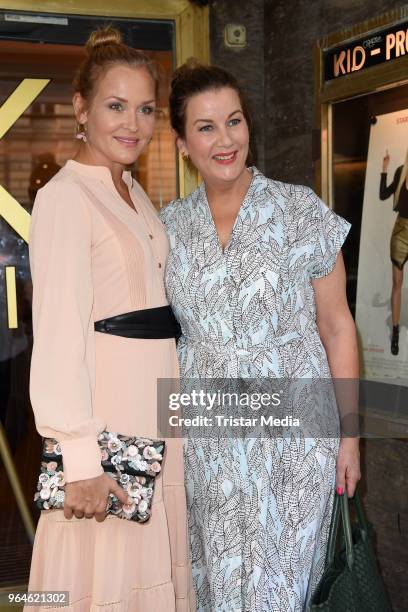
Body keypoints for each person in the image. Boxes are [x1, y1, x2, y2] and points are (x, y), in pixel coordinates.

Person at [159, 62, 360, 611]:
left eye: (234, 121)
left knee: (283, 591)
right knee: (216, 588)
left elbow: (338, 325)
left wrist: (350, 437)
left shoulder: (299, 211)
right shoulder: (167, 226)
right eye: (205, 127)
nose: (226, 140)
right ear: (181, 142)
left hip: (296, 438)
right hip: (207, 441)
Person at [27, 27, 193, 611]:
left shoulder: (134, 192)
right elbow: (55, 336)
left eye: (146, 109)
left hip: (157, 418)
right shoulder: (65, 197)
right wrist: (79, 459)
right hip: (108, 425)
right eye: (116, 106)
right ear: (81, 108)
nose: (133, 124)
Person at [380, 149, 408, 355]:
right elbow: (383, 195)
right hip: (400, 232)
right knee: (397, 283)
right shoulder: (401, 172)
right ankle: (396, 333)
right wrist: (384, 169)